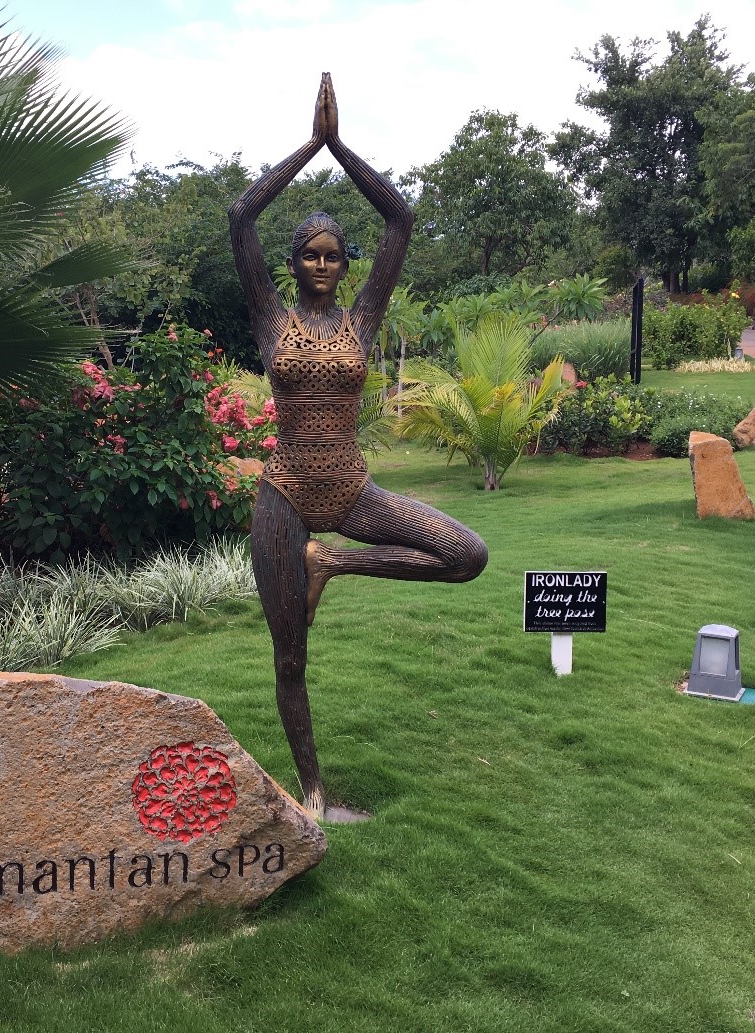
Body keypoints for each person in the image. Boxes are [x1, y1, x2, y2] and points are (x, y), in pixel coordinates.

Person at [228, 74, 487, 822]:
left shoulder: (363, 318)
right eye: (308, 254)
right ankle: (311, 789)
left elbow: (400, 219)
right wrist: (307, 145)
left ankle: (331, 562)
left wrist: (341, 148)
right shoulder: (270, 318)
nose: (319, 263)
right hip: (284, 493)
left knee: (465, 554)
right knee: (288, 657)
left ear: (344, 264)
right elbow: (241, 215)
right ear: (291, 262)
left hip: (350, 490)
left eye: (331, 255)